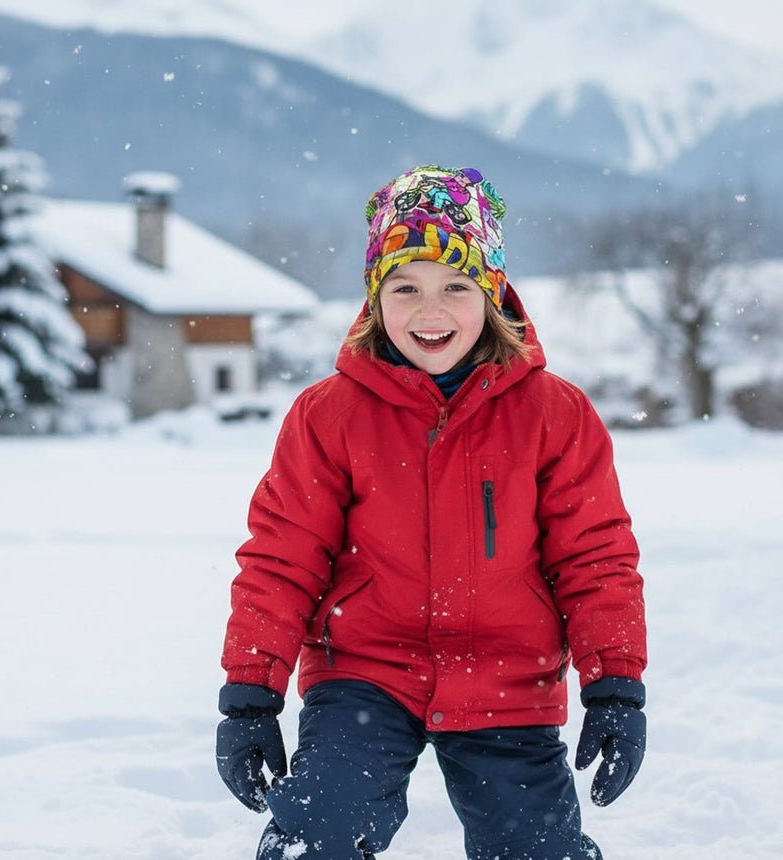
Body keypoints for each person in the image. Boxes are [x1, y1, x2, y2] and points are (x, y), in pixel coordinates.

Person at [216, 165, 647, 859]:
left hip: (508, 677)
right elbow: (282, 557)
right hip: (365, 669)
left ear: (493, 293)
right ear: (374, 298)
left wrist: (616, 685)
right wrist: (249, 692)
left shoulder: (554, 414)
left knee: (535, 851)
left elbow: (595, 558)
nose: (431, 310)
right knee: (316, 834)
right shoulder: (330, 416)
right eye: (405, 287)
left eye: (456, 286)